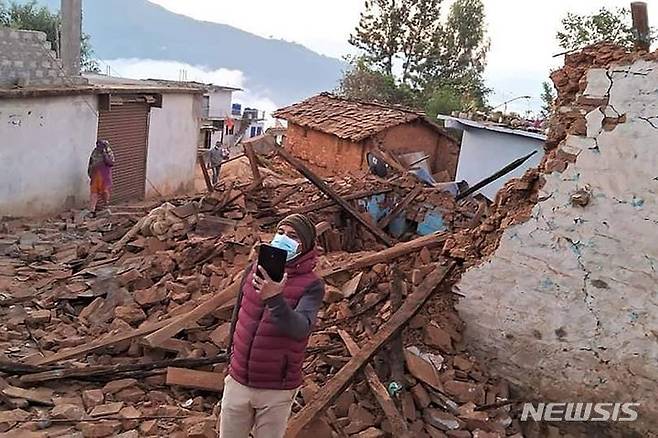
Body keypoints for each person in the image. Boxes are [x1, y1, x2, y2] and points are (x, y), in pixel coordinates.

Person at [219, 214, 325, 438]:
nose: (283, 238)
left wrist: (275, 299)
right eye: (280, 232)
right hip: (238, 380)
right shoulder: (253, 271)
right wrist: (230, 359)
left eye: (292, 236)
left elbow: (301, 328)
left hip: (276, 388)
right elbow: (238, 316)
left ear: (304, 245)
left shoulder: (311, 285)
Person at [87, 139, 115, 215]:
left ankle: (106, 204)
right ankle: (92, 210)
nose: (99, 147)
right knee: (94, 192)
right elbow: (91, 162)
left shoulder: (108, 152)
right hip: (95, 174)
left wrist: (104, 153)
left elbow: (111, 163)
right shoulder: (95, 152)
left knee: (104, 191)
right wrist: (90, 173)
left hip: (104, 175)